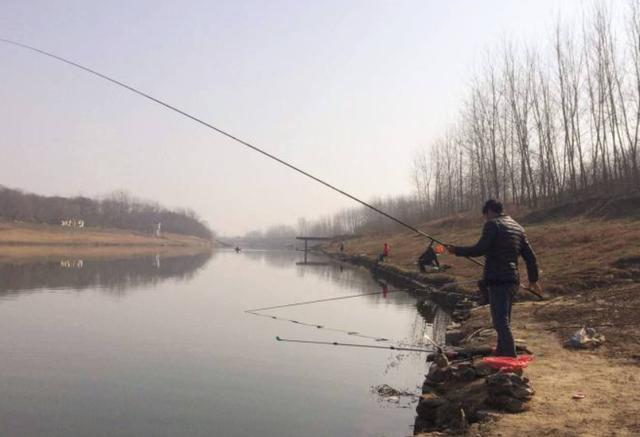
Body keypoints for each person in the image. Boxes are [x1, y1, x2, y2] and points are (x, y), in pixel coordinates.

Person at [445, 199, 541, 358]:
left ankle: (510, 357)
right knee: (504, 319)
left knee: (500, 322)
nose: (486, 219)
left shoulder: (493, 224)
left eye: (485, 215)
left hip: (498, 280)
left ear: (489, 211)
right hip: (512, 280)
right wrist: (533, 280)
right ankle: (503, 351)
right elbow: (531, 257)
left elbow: (480, 249)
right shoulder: (518, 227)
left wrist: (456, 250)